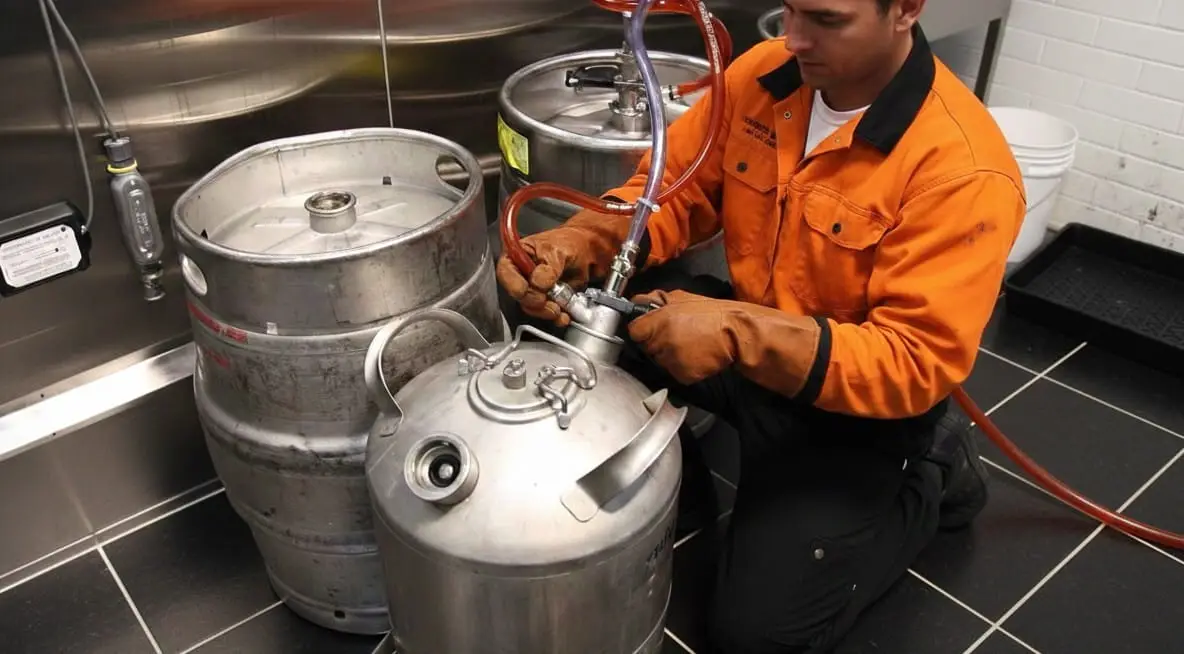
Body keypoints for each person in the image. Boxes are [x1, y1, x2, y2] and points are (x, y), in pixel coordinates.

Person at [496, 0, 1027, 651]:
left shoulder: (962, 169)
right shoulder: (767, 76)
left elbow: (914, 361)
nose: (794, 39)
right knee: (600, 312)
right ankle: (671, 487)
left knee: (755, 637)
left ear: (906, 11)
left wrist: (736, 333)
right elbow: (676, 189)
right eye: (791, 9)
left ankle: (933, 474)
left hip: (854, 413)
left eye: (827, 20)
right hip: (746, 343)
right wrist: (588, 237)